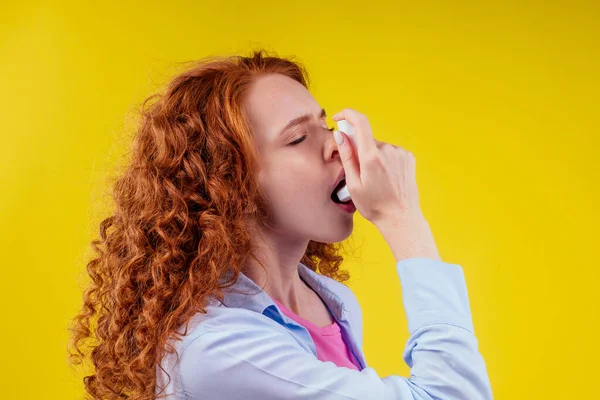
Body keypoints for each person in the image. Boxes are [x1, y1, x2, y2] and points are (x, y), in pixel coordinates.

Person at [69, 49, 492, 400]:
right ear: (229, 184)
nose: (336, 145)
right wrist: (402, 218)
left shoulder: (330, 303)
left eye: (324, 125)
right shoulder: (222, 350)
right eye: (297, 138)